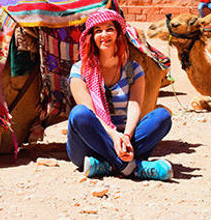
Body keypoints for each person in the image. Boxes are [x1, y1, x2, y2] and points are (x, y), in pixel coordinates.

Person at [66, 9, 173, 181]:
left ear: (118, 34)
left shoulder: (133, 69)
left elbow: (134, 105)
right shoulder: (80, 70)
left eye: (110, 29)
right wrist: (113, 136)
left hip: (126, 139)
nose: (104, 34)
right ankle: (132, 168)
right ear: (91, 37)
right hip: (91, 142)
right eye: (98, 31)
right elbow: (90, 111)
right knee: (79, 115)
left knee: (162, 116)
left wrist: (126, 136)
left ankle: (107, 165)